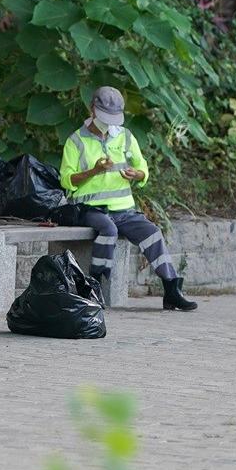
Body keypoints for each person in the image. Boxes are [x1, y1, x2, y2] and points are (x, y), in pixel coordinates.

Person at [59, 86, 197, 311]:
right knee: (108, 230)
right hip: (89, 209)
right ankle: (94, 288)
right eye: (105, 117)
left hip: (123, 209)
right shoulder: (76, 141)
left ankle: (172, 289)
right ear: (92, 109)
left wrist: (138, 174)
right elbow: (66, 181)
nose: (110, 123)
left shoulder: (125, 137)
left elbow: (142, 168)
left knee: (152, 232)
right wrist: (93, 171)